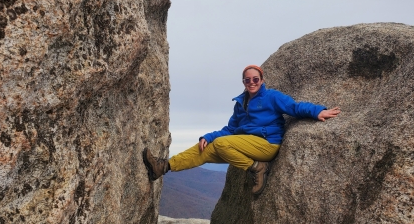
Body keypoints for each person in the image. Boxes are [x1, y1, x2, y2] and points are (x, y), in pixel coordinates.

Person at [143, 65, 340, 195]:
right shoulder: (241, 104)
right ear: (243, 82)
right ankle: (163, 167)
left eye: (255, 79)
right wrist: (208, 136)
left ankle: (258, 167)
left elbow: (294, 107)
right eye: (248, 80)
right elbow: (231, 129)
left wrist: (318, 112)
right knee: (206, 147)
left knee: (220, 144)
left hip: (267, 144)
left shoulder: (271, 97)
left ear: (262, 80)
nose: (252, 82)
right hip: (245, 145)